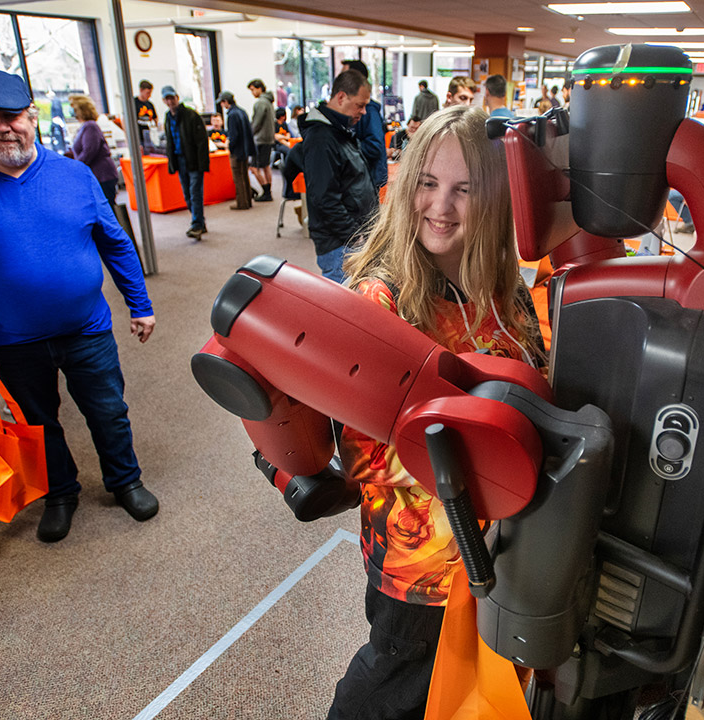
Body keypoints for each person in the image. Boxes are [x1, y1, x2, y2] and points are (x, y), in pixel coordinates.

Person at [330, 105, 543, 718]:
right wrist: (497, 460)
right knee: (392, 682)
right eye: (428, 183)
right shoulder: (382, 300)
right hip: (419, 559)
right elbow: (365, 453)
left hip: (494, 547)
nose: (441, 206)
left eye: (464, 189)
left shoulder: (504, 290)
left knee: (454, 689)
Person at [0, 69, 158, 544]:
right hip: (12, 339)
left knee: (108, 411)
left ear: (31, 116)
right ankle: (60, 492)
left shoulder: (74, 174)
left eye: (12, 115)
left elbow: (115, 243)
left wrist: (139, 303)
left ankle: (125, 480)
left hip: (87, 329)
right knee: (37, 423)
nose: (2, 126)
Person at [297, 70, 379, 283]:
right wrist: (353, 235)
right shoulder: (321, 138)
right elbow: (324, 198)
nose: (363, 112)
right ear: (341, 97)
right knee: (344, 309)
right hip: (340, 244)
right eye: (359, 105)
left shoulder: (339, 131)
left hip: (351, 239)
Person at [161, 85, 209, 239]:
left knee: (195, 193)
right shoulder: (168, 117)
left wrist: (203, 164)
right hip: (179, 160)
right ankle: (200, 222)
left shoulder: (191, 115)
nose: (170, 101)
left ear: (177, 97)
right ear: (164, 100)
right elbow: (169, 141)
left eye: (172, 98)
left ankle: (196, 225)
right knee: (187, 195)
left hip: (193, 160)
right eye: (167, 99)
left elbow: (202, 142)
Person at [342, 60, 388, 189]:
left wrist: (345, 147)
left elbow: (375, 146)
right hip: (358, 180)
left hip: (367, 182)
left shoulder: (369, 111)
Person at [69, 94, 120, 206]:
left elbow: (89, 151)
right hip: (98, 176)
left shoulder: (90, 126)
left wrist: (75, 167)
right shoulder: (85, 126)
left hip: (103, 176)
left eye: (73, 107)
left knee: (107, 210)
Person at [216, 91, 257, 211]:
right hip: (245, 150)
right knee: (244, 176)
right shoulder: (242, 112)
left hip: (237, 151)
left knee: (238, 177)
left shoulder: (232, 115)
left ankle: (242, 203)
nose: (222, 105)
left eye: (222, 103)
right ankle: (248, 201)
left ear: (226, 102)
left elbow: (233, 135)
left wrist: (230, 148)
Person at [247, 78, 275, 202]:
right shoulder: (269, 102)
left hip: (260, 139)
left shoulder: (260, 103)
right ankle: (268, 191)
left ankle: (266, 191)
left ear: (259, 88)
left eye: (253, 90)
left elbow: (256, 123)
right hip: (269, 138)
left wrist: (249, 135)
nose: (252, 93)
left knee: (253, 167)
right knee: (266, 166)